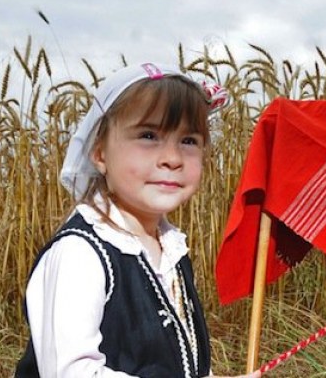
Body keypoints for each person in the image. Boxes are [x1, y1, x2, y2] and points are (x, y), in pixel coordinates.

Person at [15, 63, 259, 377]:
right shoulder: (82, 254)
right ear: (100, 153)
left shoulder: (171, 251)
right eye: (148, 135)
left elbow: (185, 358)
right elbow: (72, 372)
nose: (171, 158)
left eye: (188, 141)